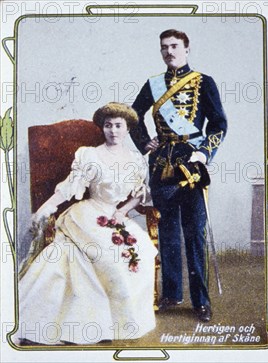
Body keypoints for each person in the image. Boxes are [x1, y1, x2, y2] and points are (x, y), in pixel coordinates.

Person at [16, 103, 157, 345]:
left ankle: (120, 323)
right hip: (88, 213)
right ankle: (88, 321)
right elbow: (70, 187)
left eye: (118, 126)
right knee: (106, 255)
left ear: (127, 129)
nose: (113, 131)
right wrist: (45, 207)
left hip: (115, 215)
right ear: (103, 128)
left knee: (141, 251)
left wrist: (123, 210)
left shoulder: (136, 160)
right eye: (108, 125)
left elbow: (140, 193)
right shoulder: (90, 155)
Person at [130, 29, 227, 322]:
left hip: (191, 163)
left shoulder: (203, 82)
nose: (169, 52)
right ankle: (172, 294)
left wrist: (203, 154)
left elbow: (219, 123)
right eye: (164, 48)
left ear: (186, 49)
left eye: (174, 46)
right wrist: (144, 141)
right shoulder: (153, 84)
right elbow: (134, 114)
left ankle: (200, 301)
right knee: (168, 231)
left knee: (194, 231)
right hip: (162, 163)